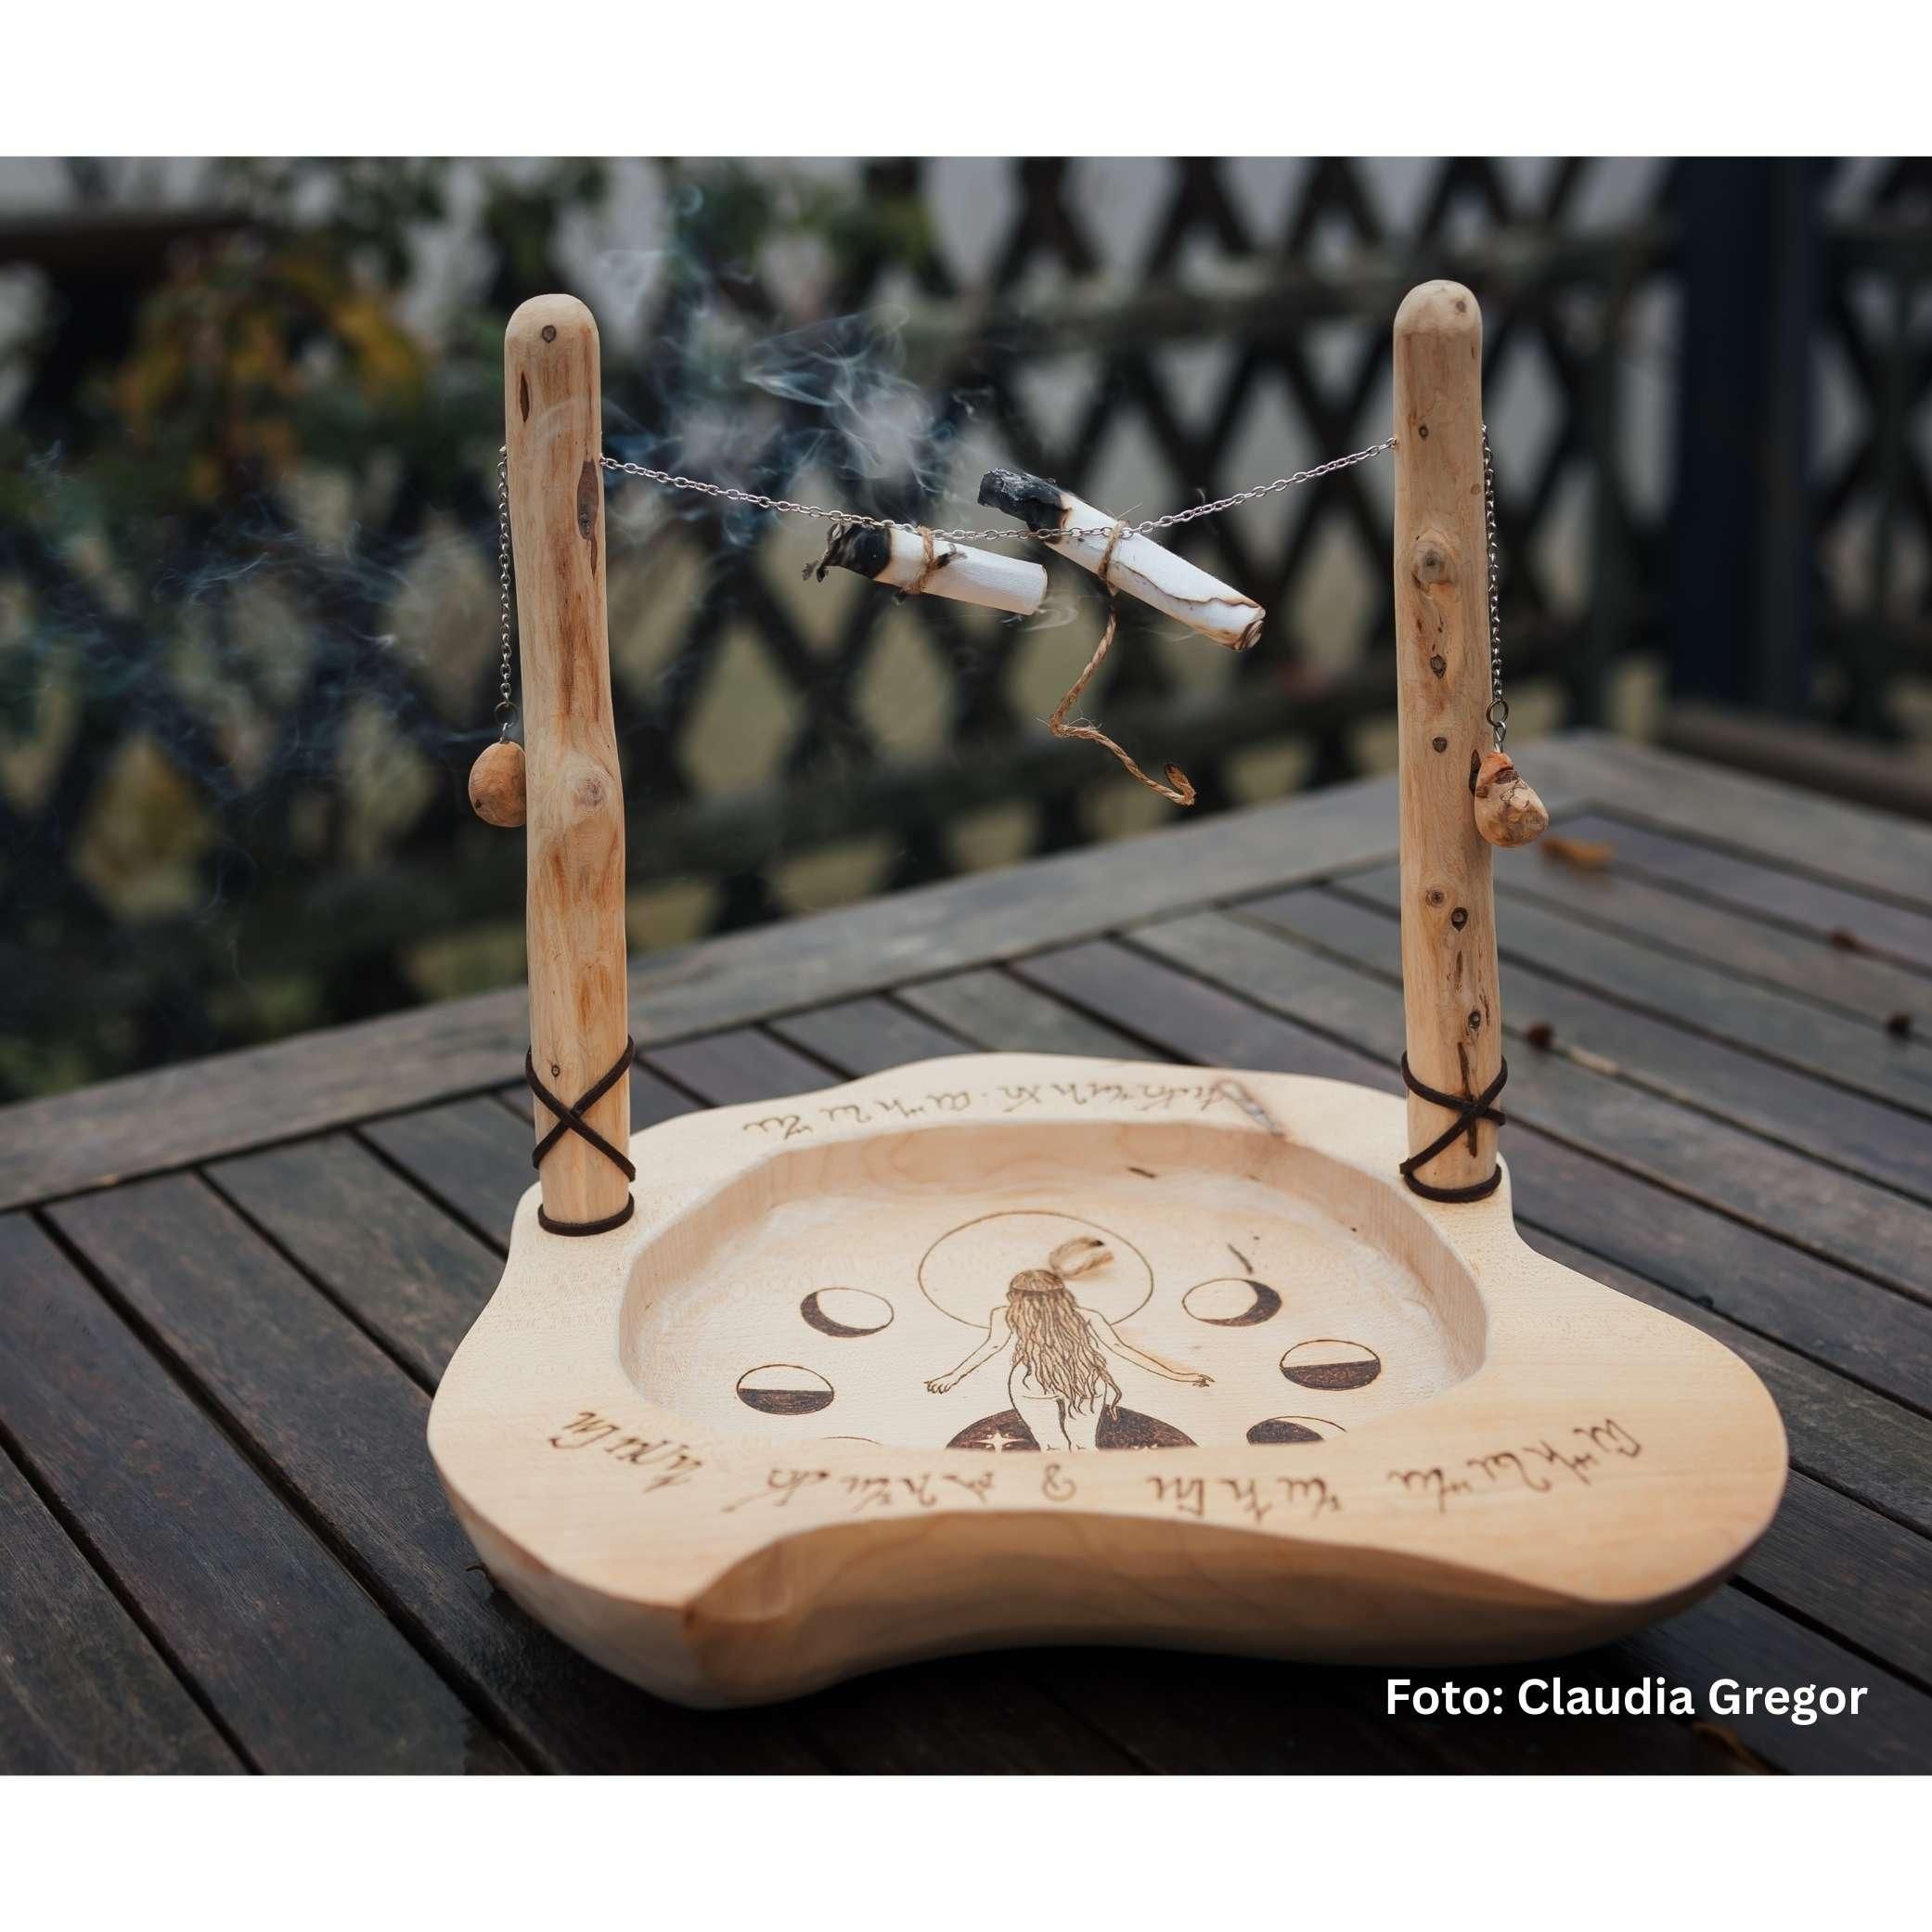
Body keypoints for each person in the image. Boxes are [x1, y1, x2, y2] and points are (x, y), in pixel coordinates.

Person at [925, 1236, 1211, 1450]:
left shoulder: (1004, 1314)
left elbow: (991, 1347)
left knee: (1052, 1448)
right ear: (1062, 1295)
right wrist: (1177, 1375)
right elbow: (1121, 1349)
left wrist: (953, 1376)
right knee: (1085, 1447)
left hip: (1031, 1383)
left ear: (1015, 1296)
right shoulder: (1086, 1316)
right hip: (1085, 1380)